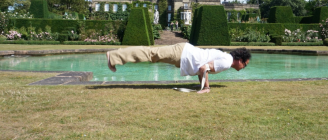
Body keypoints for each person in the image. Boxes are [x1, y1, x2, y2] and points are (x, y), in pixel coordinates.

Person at [106, 43, 251, 94]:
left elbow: (203, 68)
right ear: (240, 60)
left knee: (151, 54)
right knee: (151, 54)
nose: (243, 67)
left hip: (183, 53)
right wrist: (206, 88)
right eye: (245, 64)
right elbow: (203, 68)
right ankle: (114, 57)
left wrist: (202, 84)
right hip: (182, 54)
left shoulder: (225, 57)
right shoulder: (227, 62)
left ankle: (115, 57)